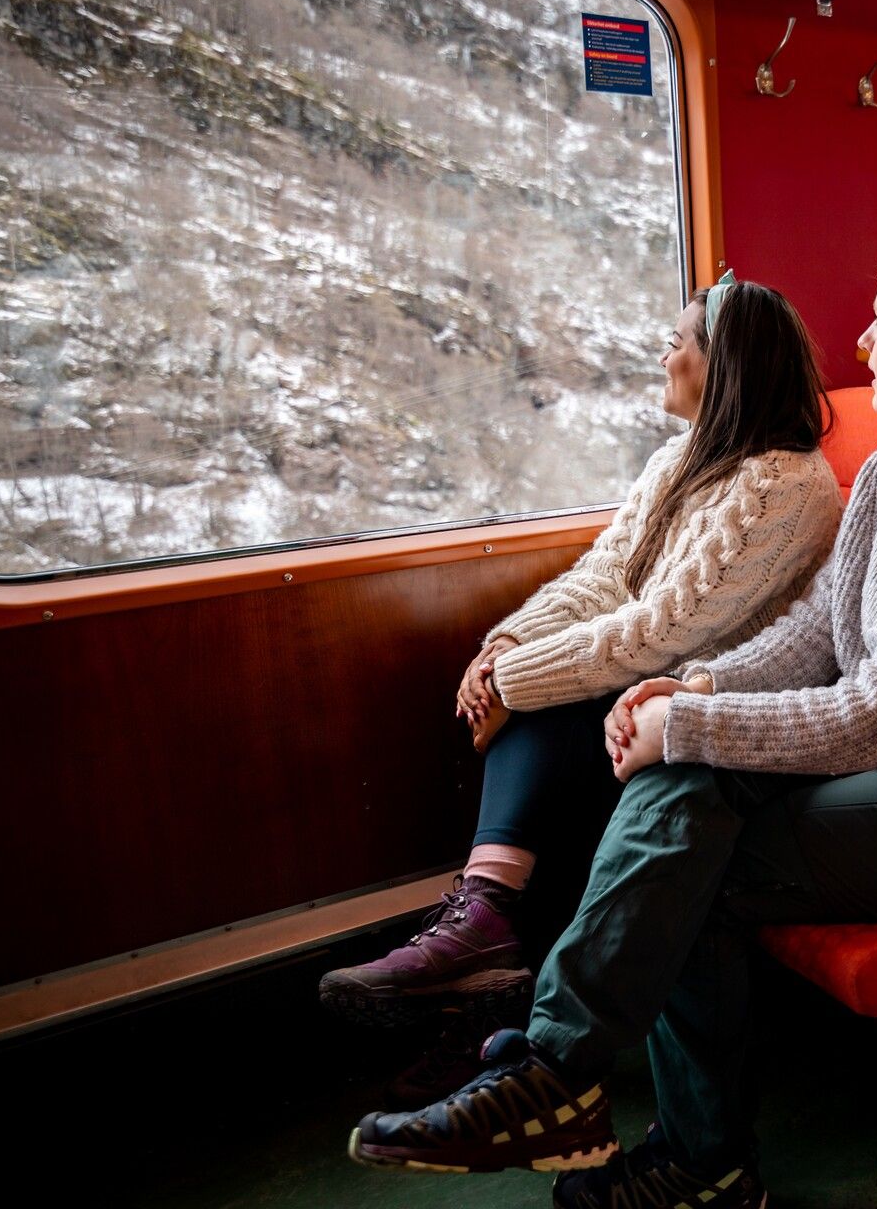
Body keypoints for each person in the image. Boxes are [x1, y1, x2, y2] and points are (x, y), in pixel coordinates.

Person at [346, 231, 877, 1206]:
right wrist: (698, 690)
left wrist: (690, 723)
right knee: (679, 786)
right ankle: (588, 1094)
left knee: (693, 848)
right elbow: (822, 630)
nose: (863, 334)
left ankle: (665, 1138)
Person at [317, 272, 842, 1088]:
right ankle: (487, 954)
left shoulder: (786, 484)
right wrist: (507, 646)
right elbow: (603, 578)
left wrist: (517, 682)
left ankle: (483, 929)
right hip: (635, 685)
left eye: (680, 341)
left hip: (713, 699)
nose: (663, 353)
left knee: (557, 701)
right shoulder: (680, 460)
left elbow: (663, 628)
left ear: (727, 366)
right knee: (550, 694)